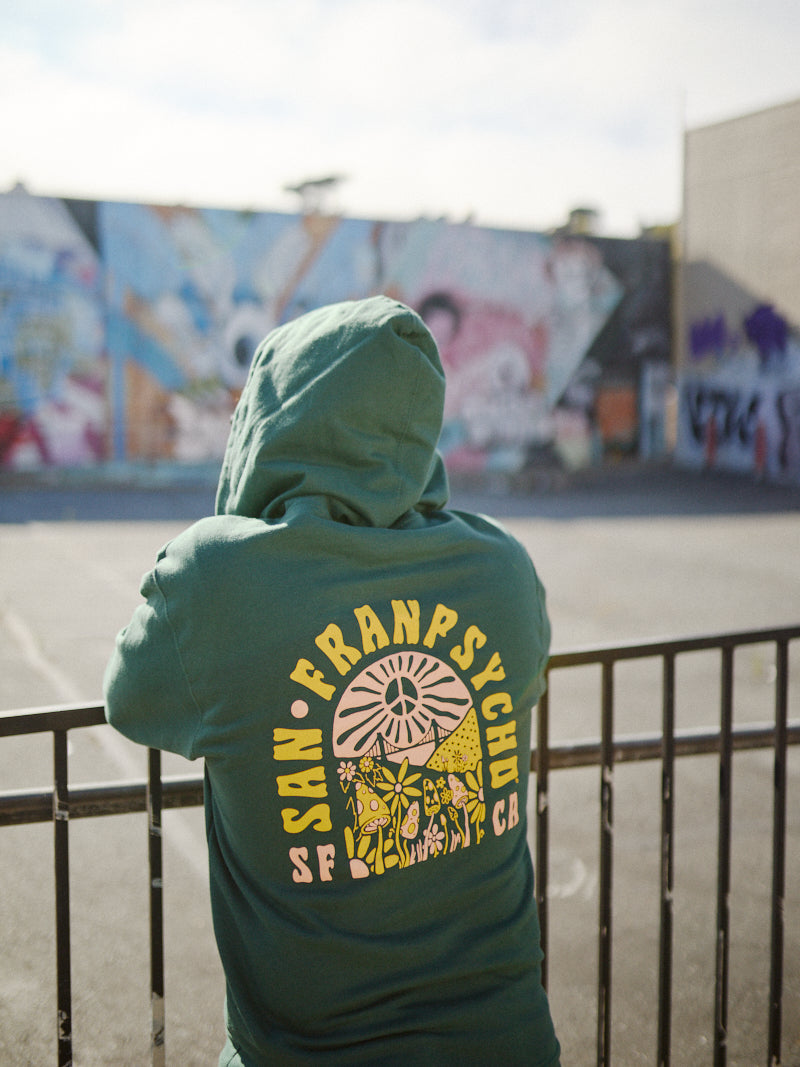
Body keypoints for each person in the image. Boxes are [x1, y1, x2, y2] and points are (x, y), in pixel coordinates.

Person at [104, 296, 561, 1066]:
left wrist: (245, 503)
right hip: (506, 1042)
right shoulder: (503, 570)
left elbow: (131, 695)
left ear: (269, 420)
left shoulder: (215, 580)